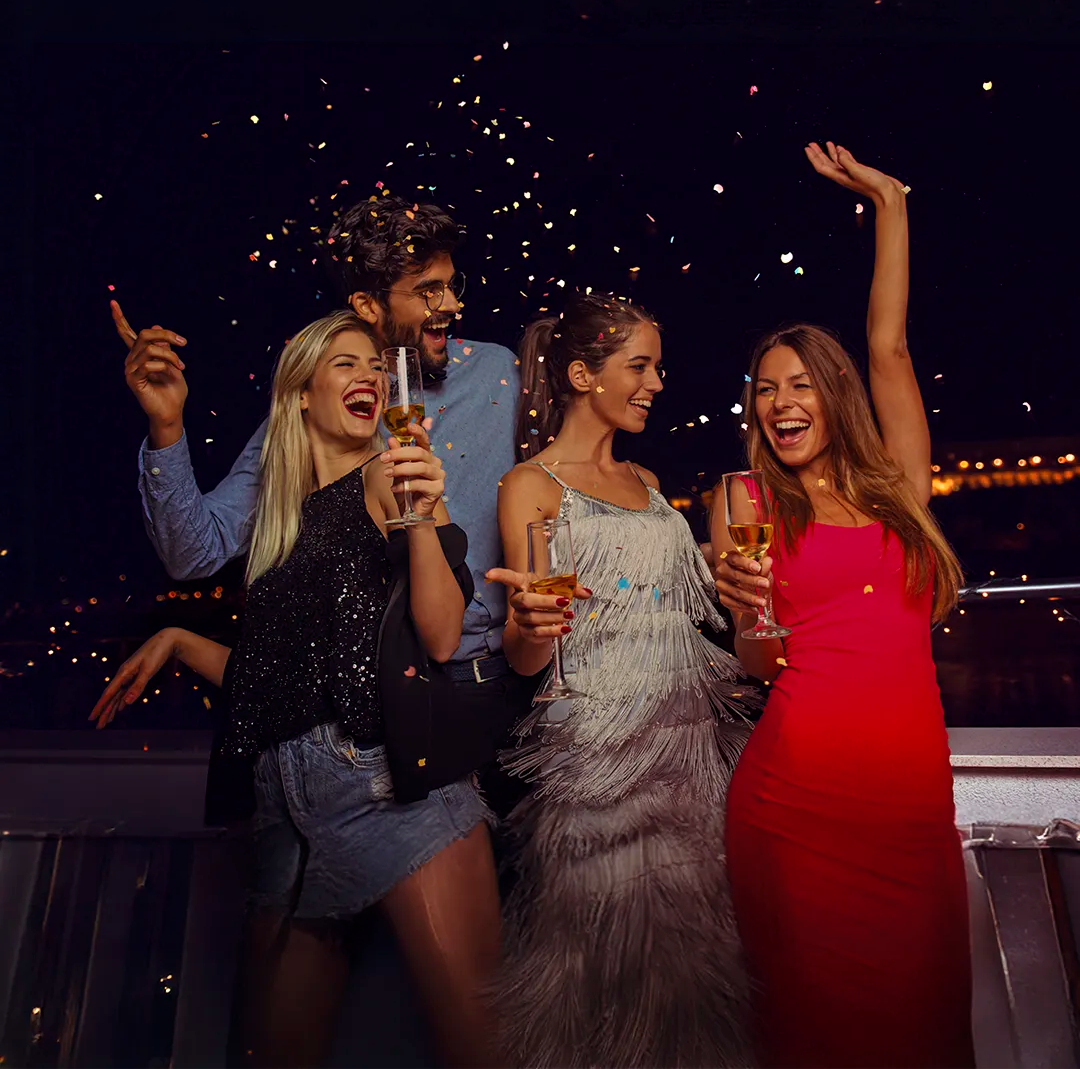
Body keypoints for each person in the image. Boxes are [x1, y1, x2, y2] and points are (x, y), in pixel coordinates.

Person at [93, 311, 501, 1069]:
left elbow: (442, 637)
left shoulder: (391, 475)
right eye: (347, 365)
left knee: (479, 1047)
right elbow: (284, 684)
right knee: (275, 1053)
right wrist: (182, 642)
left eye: (377, 368)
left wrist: (420, 514)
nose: (372, 379)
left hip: (388, 790)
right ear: (299, 394)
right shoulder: (279, 524)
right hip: (284, 805)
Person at [112, 193, 527, 802]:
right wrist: (168, 429)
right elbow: (194, 554)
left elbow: (560, 484)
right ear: (367, 305)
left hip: (507, 682)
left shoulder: (501, 372)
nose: (452, 304)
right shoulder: (319, 408)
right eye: (428, 291)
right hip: (385, 708)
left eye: (450, 284)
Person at [714, 143, 974, 1069]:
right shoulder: (745, 500)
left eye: (799, 385)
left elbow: (890, 344)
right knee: (810, 1036)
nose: (781, 403)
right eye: (765, 389)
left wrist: (889, 203)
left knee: (928, 1027)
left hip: (908, 810)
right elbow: (753, 661)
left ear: (833, 397)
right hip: (795, 808)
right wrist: (746, 619)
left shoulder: (899, 489)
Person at [484, 293, 757, 1069]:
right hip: (597, 768)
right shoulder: (529, 487)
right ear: (581, 374)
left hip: (689, 767)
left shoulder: (646, 477)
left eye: (657, 367)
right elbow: (529, 654)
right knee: (601, 976)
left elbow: (665, 598)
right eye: (638, 366)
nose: (656, 383)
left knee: (695, 976)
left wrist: (715, 570)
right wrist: (528, 626)